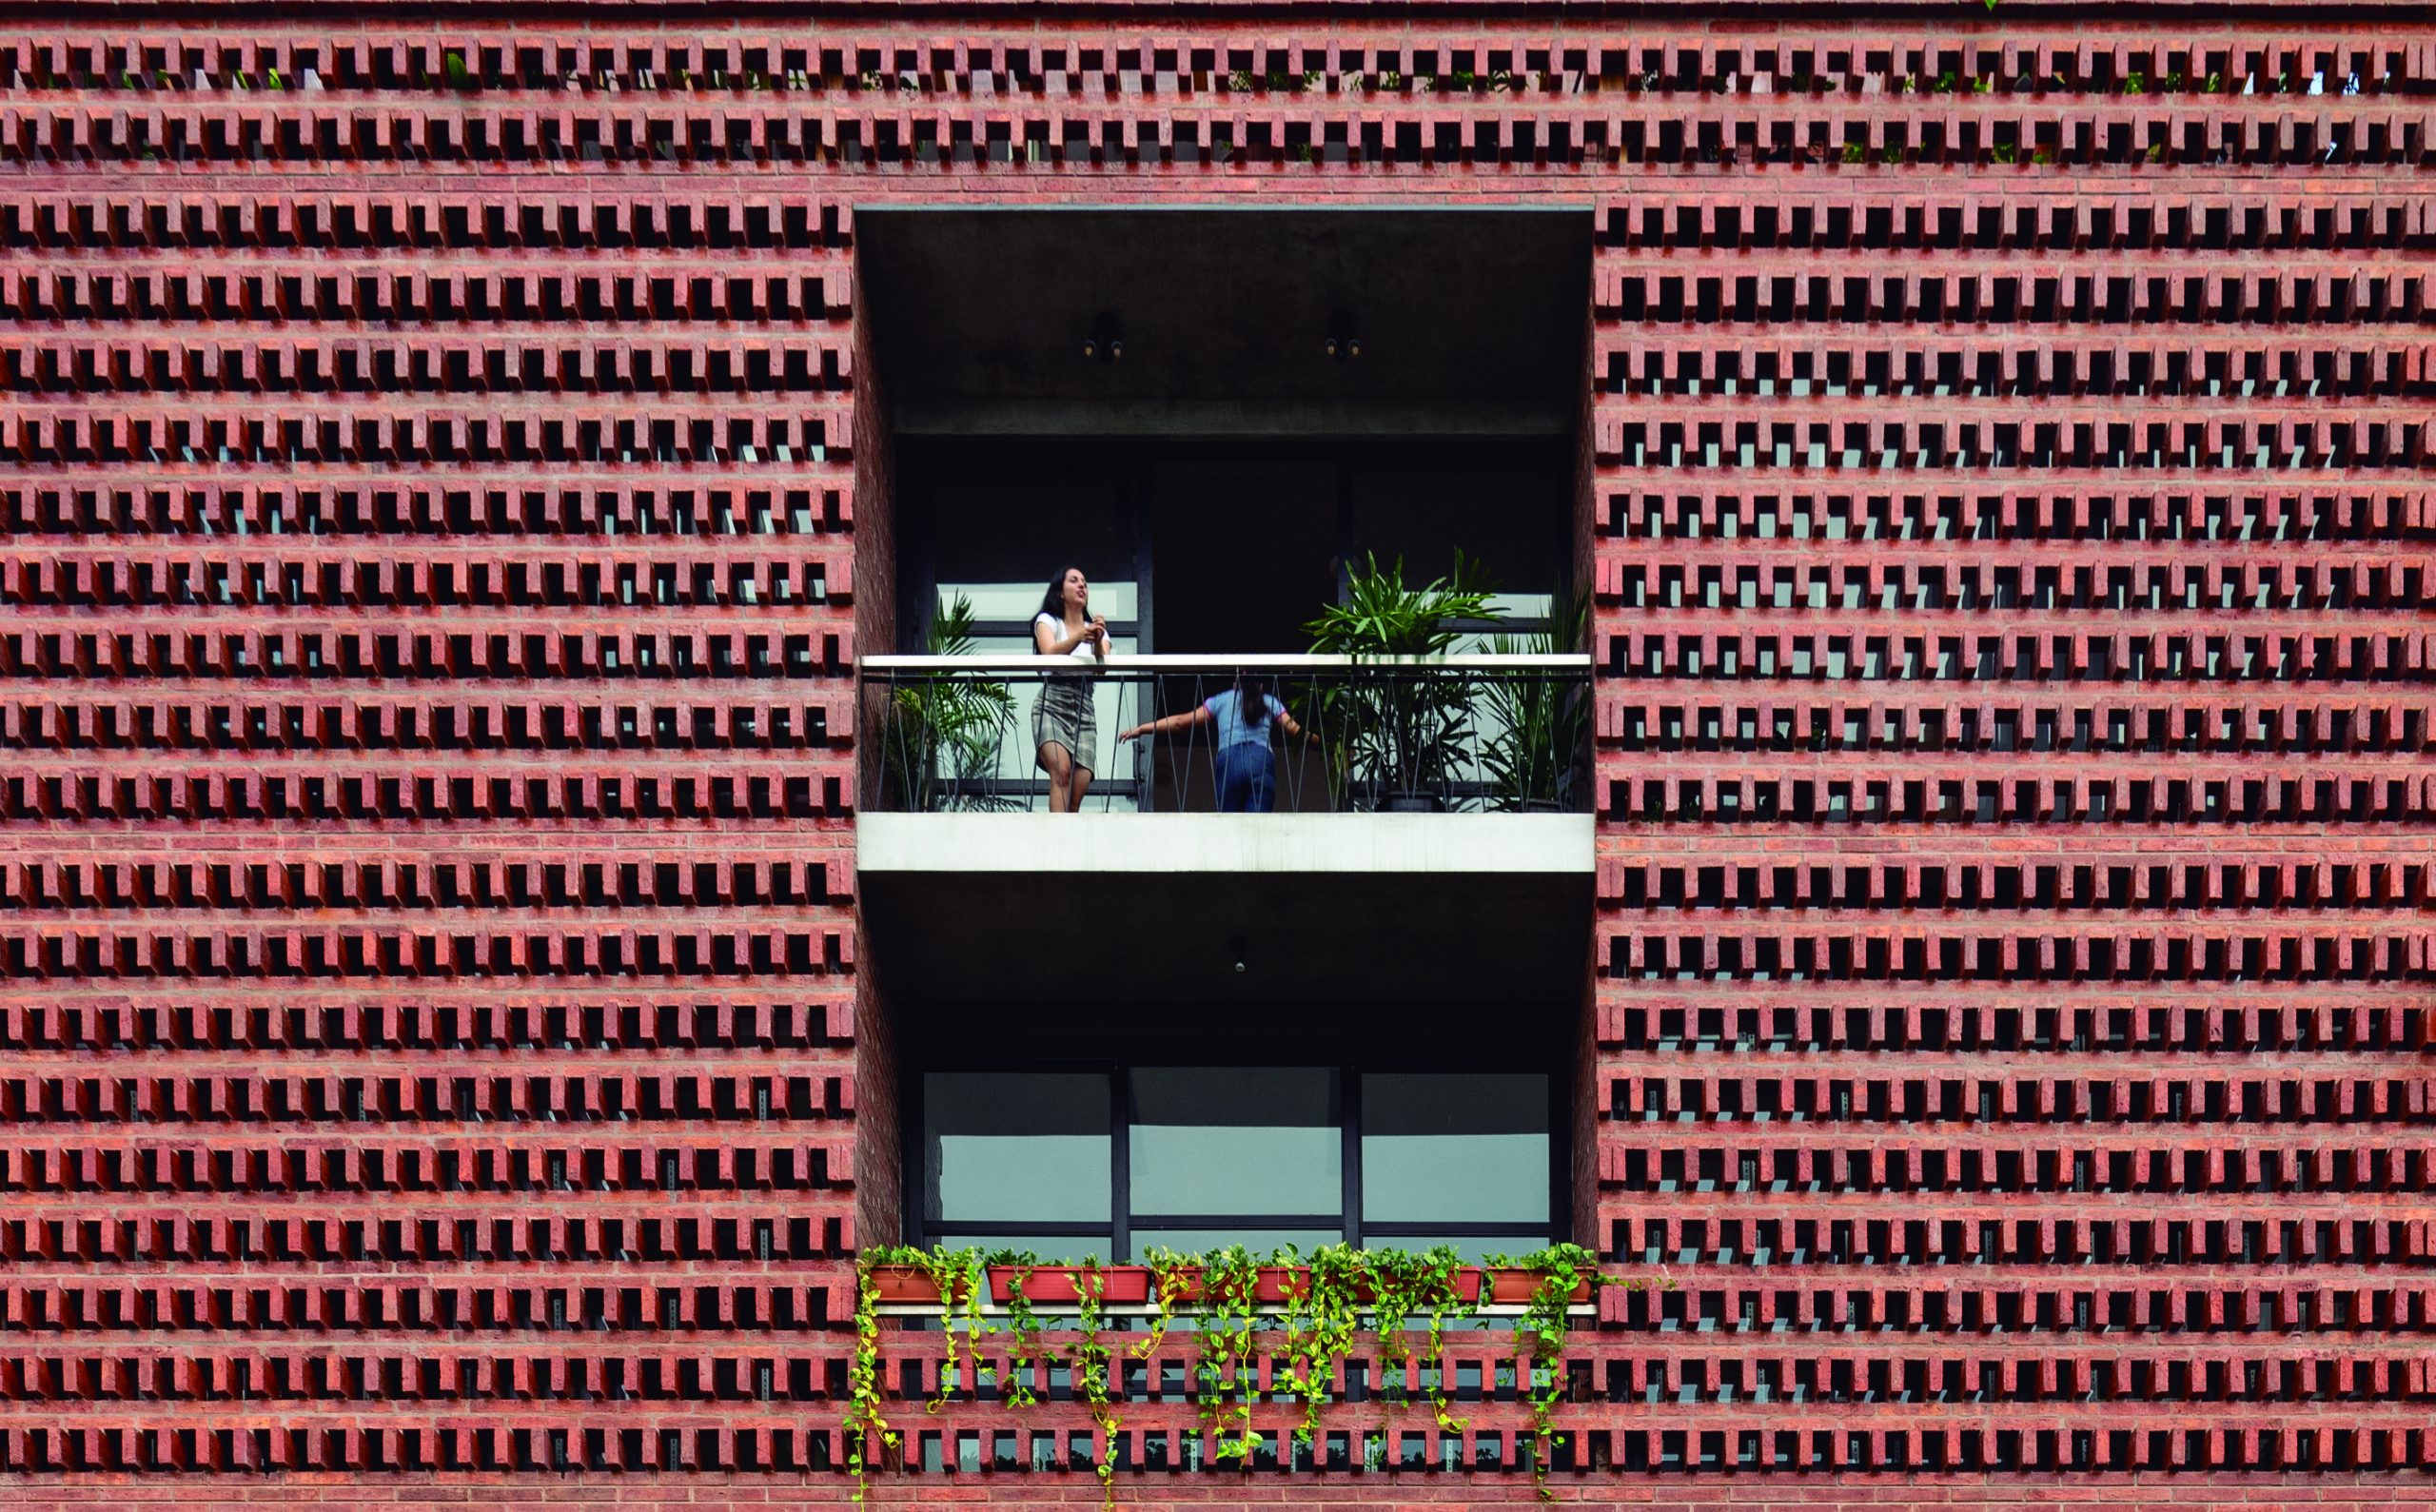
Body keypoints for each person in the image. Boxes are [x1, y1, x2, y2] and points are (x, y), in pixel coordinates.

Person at [1119, 671, 1316, 813]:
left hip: (1229, 761)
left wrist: (1142, 728)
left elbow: (1180, 722)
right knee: (1259, 827)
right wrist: (1325, 744)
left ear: (1235, 684)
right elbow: (1296, 731)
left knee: (1229, 825)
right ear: (1261, 686)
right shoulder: (1270, 702)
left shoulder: (1221, 700)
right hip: (1261, 761)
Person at [1032, 567, 1109, 813]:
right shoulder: (1048, 621)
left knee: (1078, 791)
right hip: (1053, 701)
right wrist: (1079, 637)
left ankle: (1069, 833)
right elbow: (1049, 653)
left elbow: (1101, 668)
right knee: (1061, 772)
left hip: (1084, 705)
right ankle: (1058, 833)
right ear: (1060, 592)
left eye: (1084, 582)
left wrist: (1097, 640)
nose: (1081, 585)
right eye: (1074, 581)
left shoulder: (1096, 629)